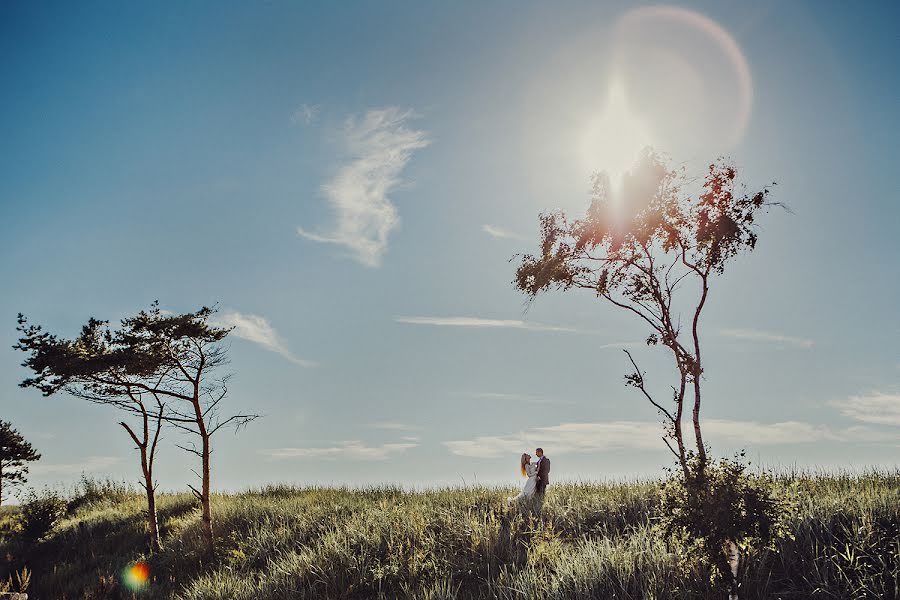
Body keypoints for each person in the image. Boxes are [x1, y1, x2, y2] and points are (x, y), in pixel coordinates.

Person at [532, 447, 550, 514]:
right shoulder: (539, 461)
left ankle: (542, 509)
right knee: (538, 494)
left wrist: (540, 476)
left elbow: (547, 470)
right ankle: (538, 508)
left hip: (543, 480)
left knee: (542, 494)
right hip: (538, 481)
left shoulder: (546, 460)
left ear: (540, 452)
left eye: (536, 452)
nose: (535, 454)